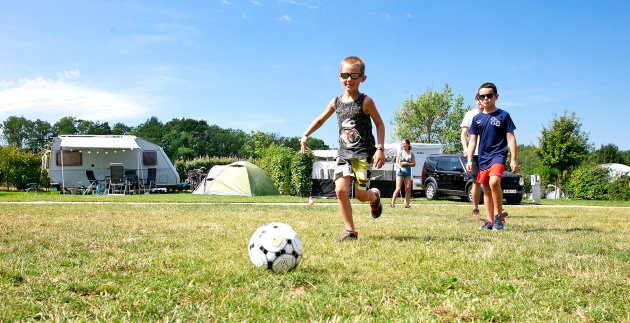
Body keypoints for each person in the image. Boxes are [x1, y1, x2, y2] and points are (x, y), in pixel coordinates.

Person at [300, 56, 385, 242]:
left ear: (363, 78)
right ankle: (350, 231)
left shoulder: (366, 101)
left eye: (354, 75)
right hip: (344, 154)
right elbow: (321, 119)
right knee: (340, 190)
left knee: (362, 195)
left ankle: (374, 197)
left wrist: (380, 148)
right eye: (345, 75)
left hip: (362, 155)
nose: (349, 79)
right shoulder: (336, 102)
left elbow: (379, 124)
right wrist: (305, 135)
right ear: (339, 77)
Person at [466, 82, 518, 231]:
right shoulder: (476, 119)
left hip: (498, 155)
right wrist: (469, 159)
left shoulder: (503, 115)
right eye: (482, 96)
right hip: (483, 158)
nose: (486, 98)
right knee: (486, 189)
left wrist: (513, 159)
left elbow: (511, 138)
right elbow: (473, 141)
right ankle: (490, 221)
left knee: (494, 182)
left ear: (496, 96)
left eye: (489, 95)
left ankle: (499, 217)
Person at [460, 98, 484, 218]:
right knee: (477, 182)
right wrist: (465, 148)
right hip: (474, 153)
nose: (481, 101)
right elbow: (464, 133)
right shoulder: (470, 114)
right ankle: (475, 208)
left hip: (489, 153)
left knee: (493, 181)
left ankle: (497, 207)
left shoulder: (491, 114)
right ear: (476, 101)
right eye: (478, 99)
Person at [390, 139, 415, 208]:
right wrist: (401, 168)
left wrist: (406, 163)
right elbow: (397, 163)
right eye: (402, 144)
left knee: (408, 188)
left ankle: (406, 204)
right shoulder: (400, 153)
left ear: (408, 144)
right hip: (400, 172)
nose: (403, 145)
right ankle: (392, 204)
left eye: (404, 143)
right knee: (398, 188)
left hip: (408, 173)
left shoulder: (411, 154)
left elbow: (414, 164)